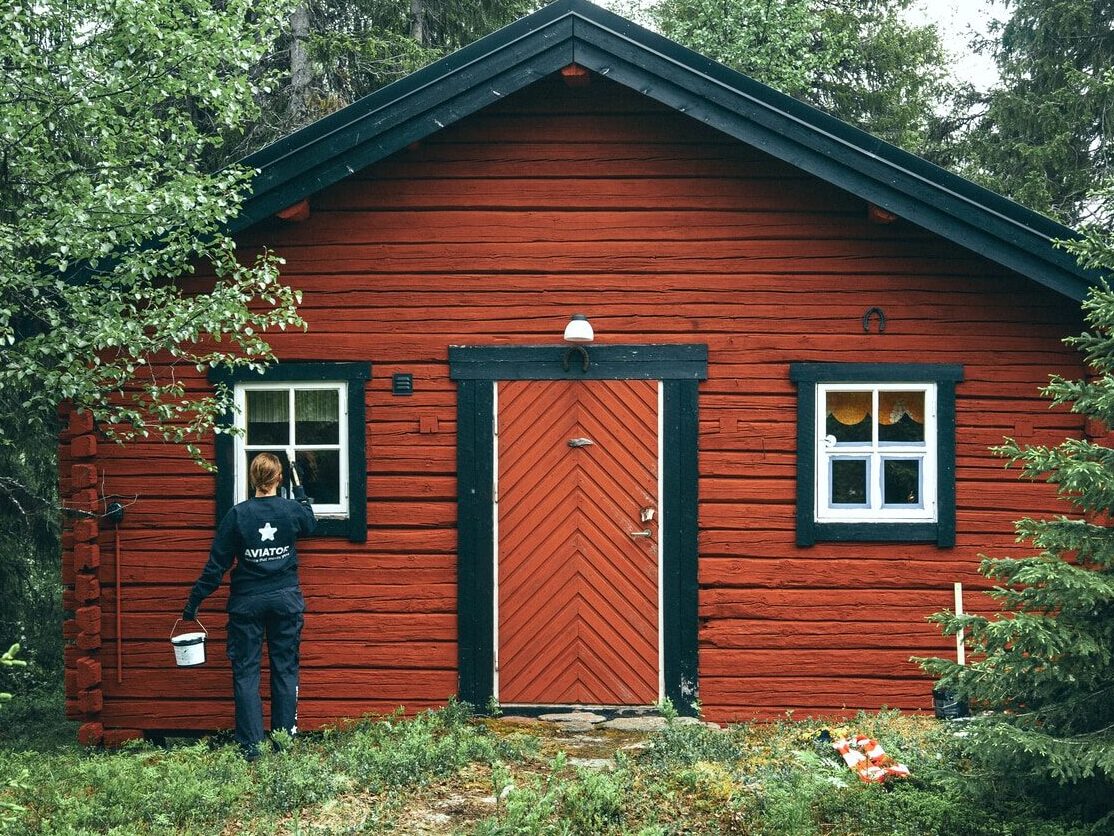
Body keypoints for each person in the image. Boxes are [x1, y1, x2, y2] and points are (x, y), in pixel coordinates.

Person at [183, 452, 316, 760]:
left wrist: (193, 603)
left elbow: (216, 566)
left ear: (252, 478)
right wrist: (300, 493)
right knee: (285, 670)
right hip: (285, 601)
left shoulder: (238, 515)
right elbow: (310, 523)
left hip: (247, 604)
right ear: (278, 478)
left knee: (246, 672)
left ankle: (252, 749)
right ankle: (282, 744)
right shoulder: (291, 511)